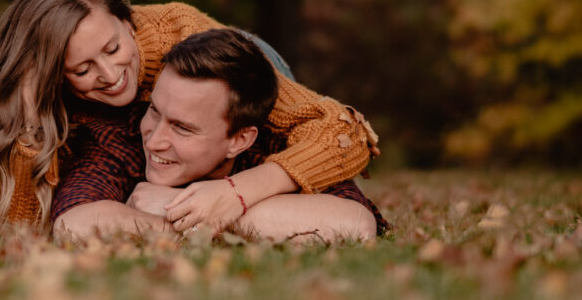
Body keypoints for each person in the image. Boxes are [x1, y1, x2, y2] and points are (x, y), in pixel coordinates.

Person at [0, 0, 381, 233]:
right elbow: (21, 229)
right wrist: (27, 117)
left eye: (112, 49)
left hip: (233, 67)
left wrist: (232, 194)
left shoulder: (183, 34)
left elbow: (343, 131)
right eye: (83, 69)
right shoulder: (75, 113)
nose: (109, 76)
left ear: (128, 22)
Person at [54, 28, 382, 241]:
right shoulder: (121, 137)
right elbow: (73, 224)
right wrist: (186, 225)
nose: (154, 140)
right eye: (155, 110)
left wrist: (182, 207)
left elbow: (355, 225)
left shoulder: (279, 146)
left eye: (182, 127)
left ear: (239, 140)